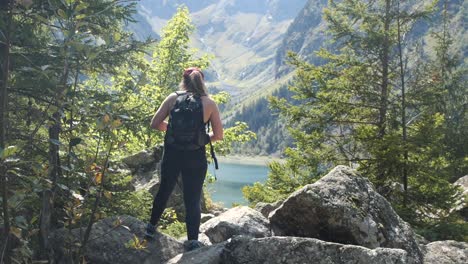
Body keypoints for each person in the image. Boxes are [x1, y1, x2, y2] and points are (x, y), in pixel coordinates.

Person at [145, 67, 223, 251]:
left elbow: (155, 124)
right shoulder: (209, 103)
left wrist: (173, 132)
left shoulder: (173, 98)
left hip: (172, 153)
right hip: (195, 157)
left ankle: (150, 228)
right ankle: (193, 241)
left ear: (184, 81)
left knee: (164, 190)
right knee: (193, 198)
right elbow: (219, 135)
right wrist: (200, 138)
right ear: (202, 82)